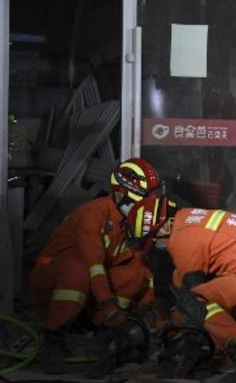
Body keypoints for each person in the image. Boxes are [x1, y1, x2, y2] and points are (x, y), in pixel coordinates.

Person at [125, 195, 236, 380]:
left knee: (195, 300)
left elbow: (194, 294)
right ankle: (205, 351)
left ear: (166, 226)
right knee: (181, 283)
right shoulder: (189, 220)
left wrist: (179, 331)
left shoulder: (183, 236)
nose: (159, 245)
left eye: (154, 239)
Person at [28, 158, 162, 372]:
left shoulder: (134, 222)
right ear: (121, 194)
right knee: (78, 268)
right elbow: (94, 264)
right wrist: (110, 306)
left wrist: (152, 315)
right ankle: (53, 336)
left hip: (91, 287)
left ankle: (100, 332)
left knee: (134, 273)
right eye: (141, 200)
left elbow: (142, 267)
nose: (146, 206)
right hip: (53, 279)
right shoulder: (93, 212)